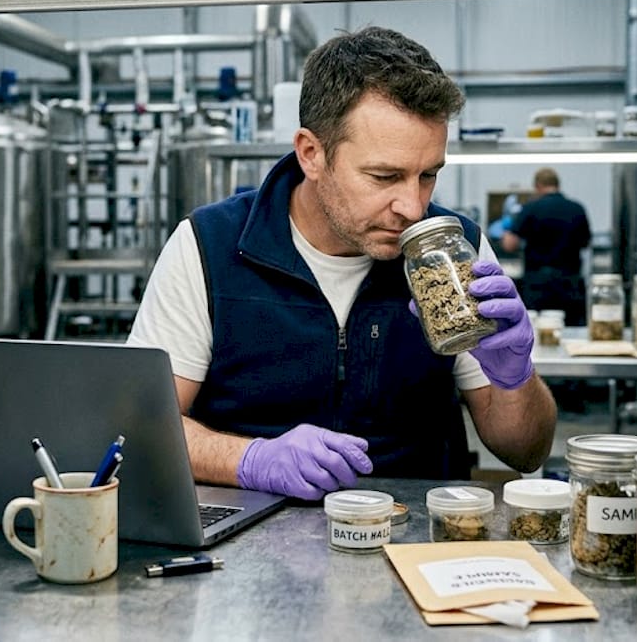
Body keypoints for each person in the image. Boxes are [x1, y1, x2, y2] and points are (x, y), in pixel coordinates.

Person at [128, 26, 556, 501]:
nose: (413, 207)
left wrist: (514, 378)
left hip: (414, 532)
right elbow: (144, 428)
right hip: (251, 535)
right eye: (384, 176)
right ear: (312, 153)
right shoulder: (210, 246)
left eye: (428, 175)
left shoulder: (455, 246)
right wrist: (249, 459)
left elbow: (525, 452)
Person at [502, 168, 591, 326]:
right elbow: (585, 243)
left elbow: (509, 244)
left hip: (538, 284)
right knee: (572, 331)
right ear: (558, 185)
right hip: (570, 283)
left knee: (537, 330)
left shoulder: (530, 208)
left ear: (538, 186)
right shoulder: (577, 208)